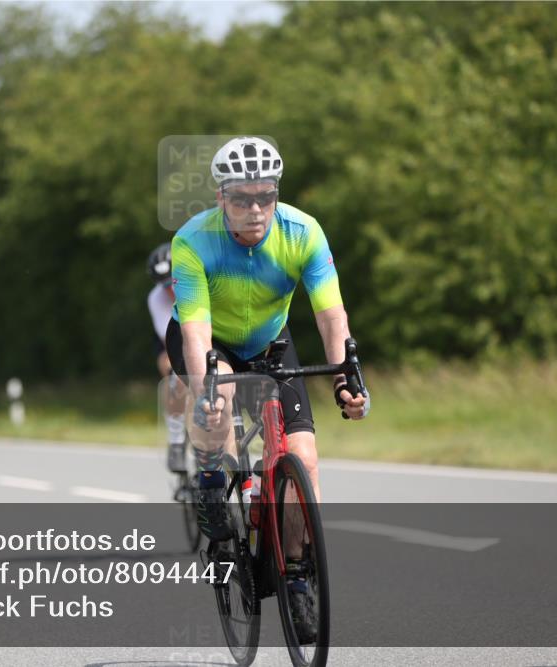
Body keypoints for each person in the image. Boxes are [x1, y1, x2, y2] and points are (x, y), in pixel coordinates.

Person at [166, 136, 368, 641]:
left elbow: (331, 315)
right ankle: (210, 480)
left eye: (265, 197)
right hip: (210, 340)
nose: (255, 210)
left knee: (304, 459)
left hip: (271, 341)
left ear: (276, 193)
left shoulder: (303, 232)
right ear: (221, 198)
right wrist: (207, 392)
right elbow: (196, 332)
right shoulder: (193, 241)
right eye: (241, 199)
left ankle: (297, 574)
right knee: (219, 401)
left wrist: (345, 378)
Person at [147, 243, 188, 473]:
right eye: (163, 285)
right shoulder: (156, 298)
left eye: (171, 282)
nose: (169, 290)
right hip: (174, 340)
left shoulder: (196, 280)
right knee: (174, 374)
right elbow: (171, 340)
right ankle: (176, 440)